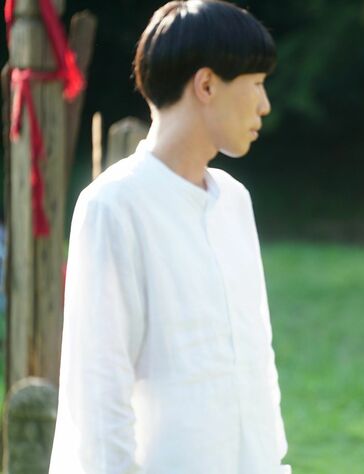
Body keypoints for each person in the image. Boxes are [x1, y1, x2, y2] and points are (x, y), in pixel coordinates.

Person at [49, 2, 289, 472]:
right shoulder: (113, 206)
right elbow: (100, 395)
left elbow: (257, 360)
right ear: (206, 85)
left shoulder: (234, 202)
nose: (264, 105)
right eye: (257, 84)